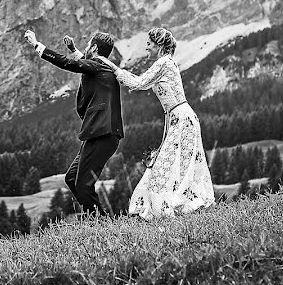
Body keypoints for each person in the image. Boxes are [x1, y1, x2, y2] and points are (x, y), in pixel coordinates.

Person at [96, 27, 213, 219]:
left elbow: (138, 83)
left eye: (149, 44)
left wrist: (112, 67)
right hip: (179, 119)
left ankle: (166, 209)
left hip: (182, 119)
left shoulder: (164, 63)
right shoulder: (166, 63)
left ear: (159, 45)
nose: (146, 48)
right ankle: (179, 207)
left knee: (166, 167)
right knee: (178, 166)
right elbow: (141, 83)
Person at [24, 29, 123, 216]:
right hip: (98, 133)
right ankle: (95, 219)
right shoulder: (100, 66)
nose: (86, 48)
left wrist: (37, 44)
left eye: (88, 45)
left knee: (83, 184)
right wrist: (73, 49)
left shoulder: (98, 66)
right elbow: (83, 62)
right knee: (72, 178)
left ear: (93, 48)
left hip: (102, 133)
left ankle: (99, 223)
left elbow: (70, 64)